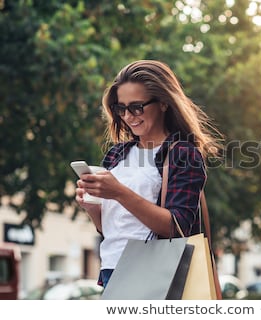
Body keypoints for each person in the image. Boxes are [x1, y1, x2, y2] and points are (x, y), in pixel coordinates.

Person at [75, 60, 221, 288]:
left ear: (163, 103)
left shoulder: (182, 153)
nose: (129, 116)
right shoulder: (116, 154)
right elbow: (115, 226)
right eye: (121, 108)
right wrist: (94, 208)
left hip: (155, 272)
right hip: (113, 267)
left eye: (137, 106)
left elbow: (177, 227)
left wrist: (119, 193)